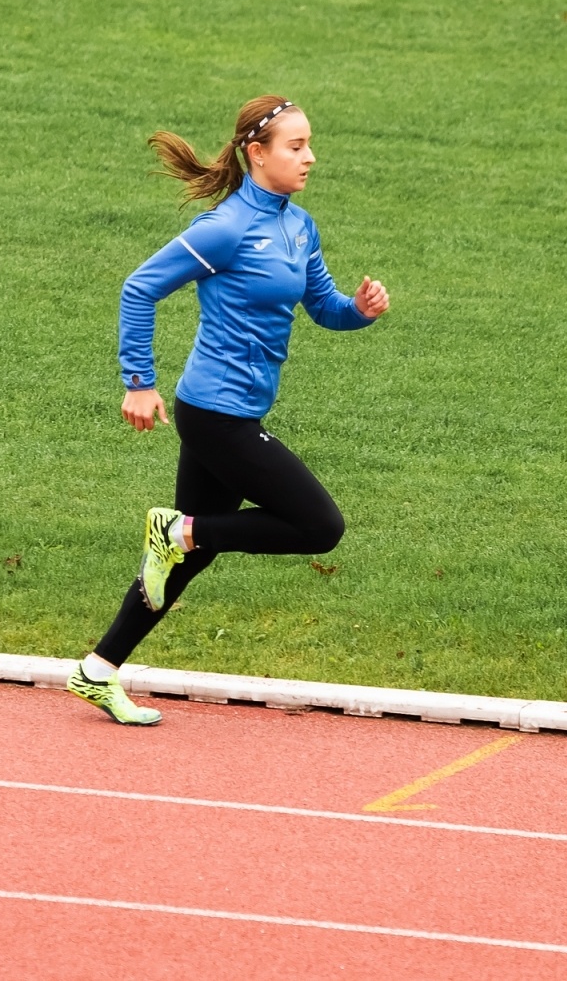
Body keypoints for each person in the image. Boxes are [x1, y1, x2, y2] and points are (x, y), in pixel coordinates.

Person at [67, 94, 391, 725]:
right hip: (214, 413)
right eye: (295, 147)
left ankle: (98, 671)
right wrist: (139, 381)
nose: (310, 157)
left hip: (238, 410)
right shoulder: (226, 228)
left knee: (188, 560)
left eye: (308, 144)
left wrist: (359, 310)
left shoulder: (299, 226)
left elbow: (322, 307)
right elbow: (140, 288)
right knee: (319, 526)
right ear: (256, 154)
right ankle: (177, 530)